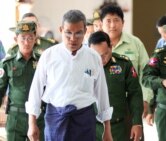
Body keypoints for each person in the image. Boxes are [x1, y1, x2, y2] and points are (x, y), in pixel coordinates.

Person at [25, 10, 113, 141]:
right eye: (68, 33)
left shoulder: (93, 57)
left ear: (85, 30)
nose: (73, 39)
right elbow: (35, 90)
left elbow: (102, 92)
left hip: (84, 119)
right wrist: (31, 123)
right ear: (61, 30)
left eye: (78, 33)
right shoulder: (48, 55)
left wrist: (107, 129)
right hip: (55, 118)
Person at [100, 4, 153, 118]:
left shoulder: (135, 43)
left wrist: (145, 99)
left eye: (116, 20)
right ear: (101, 24)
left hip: (130, 105)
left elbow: (146, 72)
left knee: (132, 135)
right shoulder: (93, 45)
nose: (112, 25)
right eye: (108, 21)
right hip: (101, 105)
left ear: (123, 23)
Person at [89, 31, 143, 141]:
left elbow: (135, 93)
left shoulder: (123, 64)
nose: (101, 60)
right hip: (91, 126)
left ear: (111, 47)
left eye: (105, 54)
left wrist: (137, 122)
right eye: (96, 56)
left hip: (118, 127)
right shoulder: (82, 66)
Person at [0, 21, 45, 141]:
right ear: (16, 39)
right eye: (23, 38)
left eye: (30, 38)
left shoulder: (43, 62)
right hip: (16, 118)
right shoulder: (7, 64)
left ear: (35, 39)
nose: (27, 42)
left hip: (38, 117)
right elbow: (0, 90)